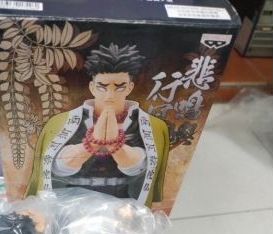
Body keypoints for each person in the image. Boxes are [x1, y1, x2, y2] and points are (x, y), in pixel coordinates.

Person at [24, 43, 170, 208]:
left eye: (119, 87)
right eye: (102, 87)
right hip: (72, 200)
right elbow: (55, 166)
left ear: (130, 88)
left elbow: (142, 168)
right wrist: (92, 143)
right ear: (92, 87)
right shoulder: (60, 122)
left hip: (123, 201)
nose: (110, 95)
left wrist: (115, 144)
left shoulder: (152, 126)